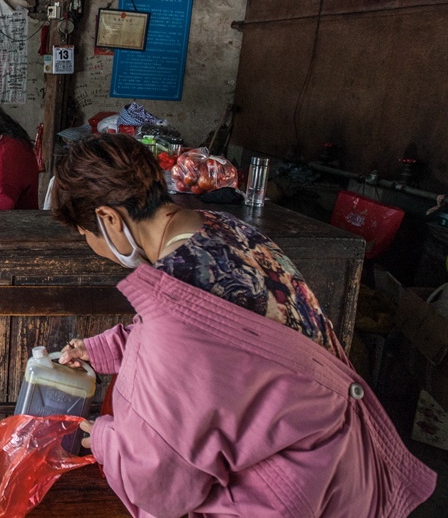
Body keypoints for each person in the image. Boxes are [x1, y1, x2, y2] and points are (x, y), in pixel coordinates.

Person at [50, 133, 435, 518]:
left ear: (109, 219)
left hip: (291, 498)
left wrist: (103, 439)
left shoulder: (173, 326)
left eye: (87, 235)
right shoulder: (224, 230)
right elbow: (222, 338)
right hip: (342, 466)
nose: (92, 244)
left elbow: (160, 482)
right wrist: (102, 348)